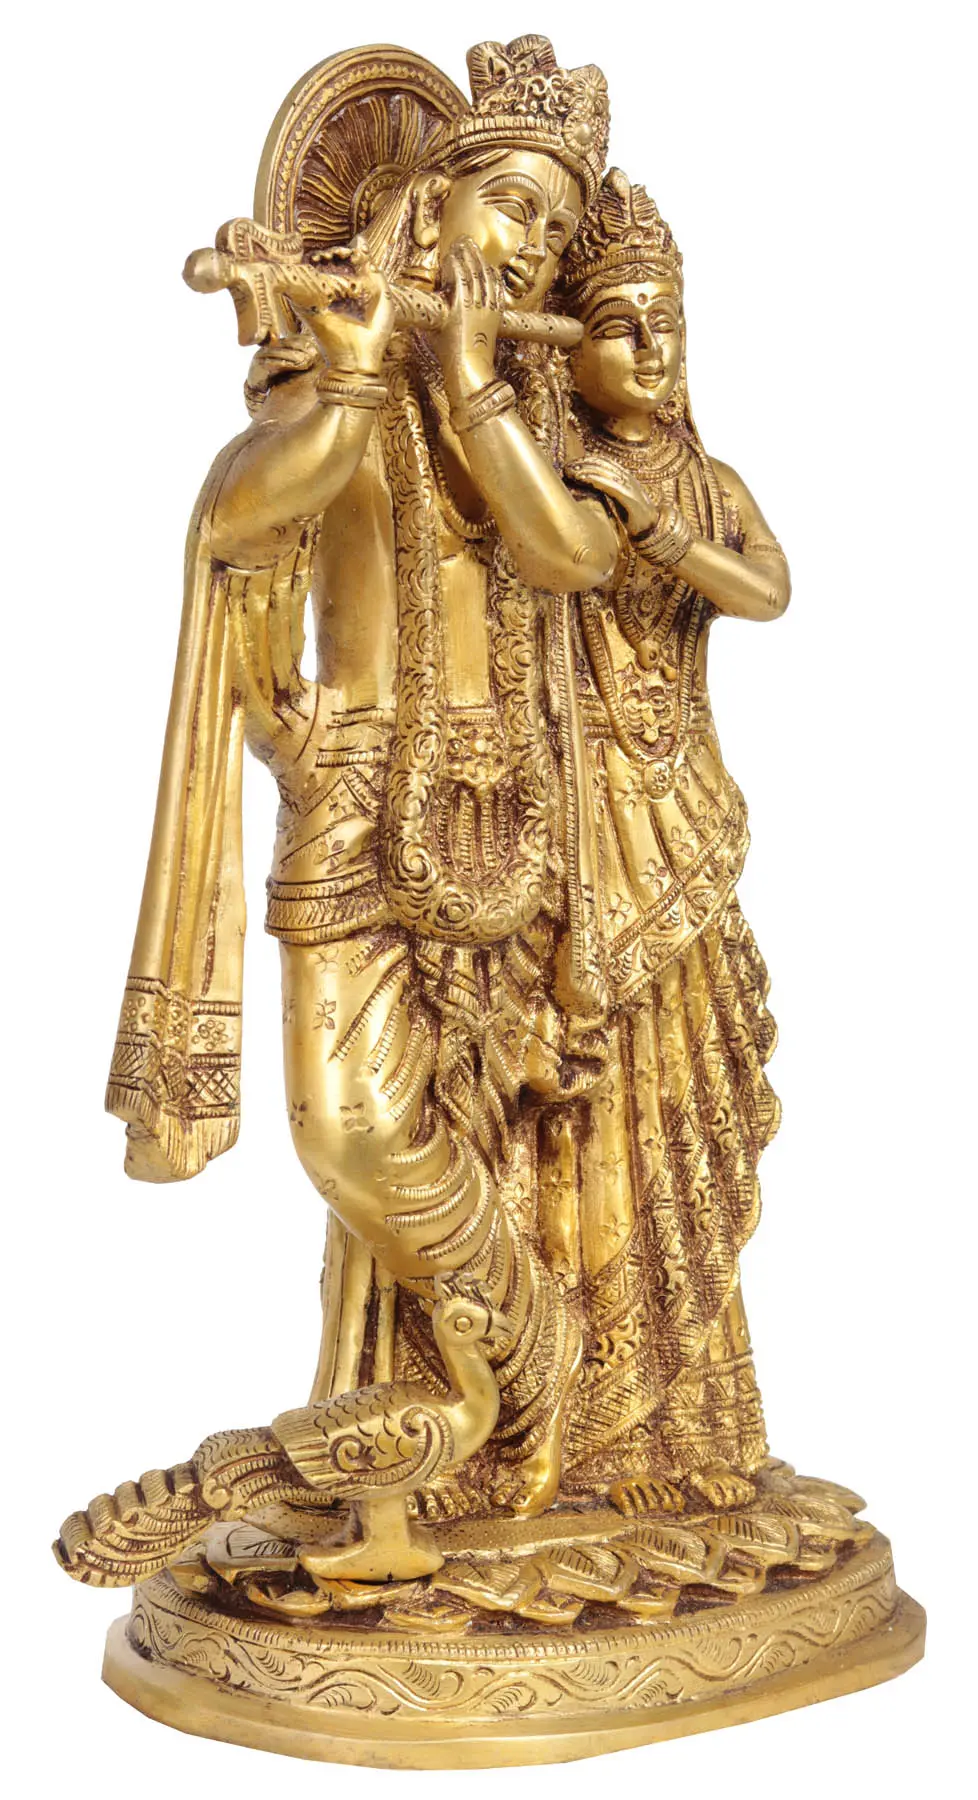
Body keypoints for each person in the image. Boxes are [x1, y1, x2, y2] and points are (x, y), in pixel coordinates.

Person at [106, 37, 617, 1519]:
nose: (527, 247)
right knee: (347, 1129)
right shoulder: (336, 353)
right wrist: (350, 368)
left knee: (511, 1118)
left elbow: (570, 555)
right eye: (510, 204)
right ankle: (527, 1347)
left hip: (522, 802)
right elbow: (241, 513)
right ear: (434, 199)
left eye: (552, 230)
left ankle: (476, 1427)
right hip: (353, 786)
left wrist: (477, 385)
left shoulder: (527, 398)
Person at [547, 169, 791, 1510]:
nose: (650, 349)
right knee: (593, 1103)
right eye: (620, 324)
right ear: (564, 344)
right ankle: (589, 1424)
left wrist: (653, 519)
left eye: (667, 324)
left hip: (685, 813)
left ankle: (687, 1422)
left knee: (688, 1091)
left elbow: (767, 590)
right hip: (584, 834)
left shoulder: (702, 481)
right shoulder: (544, 479)